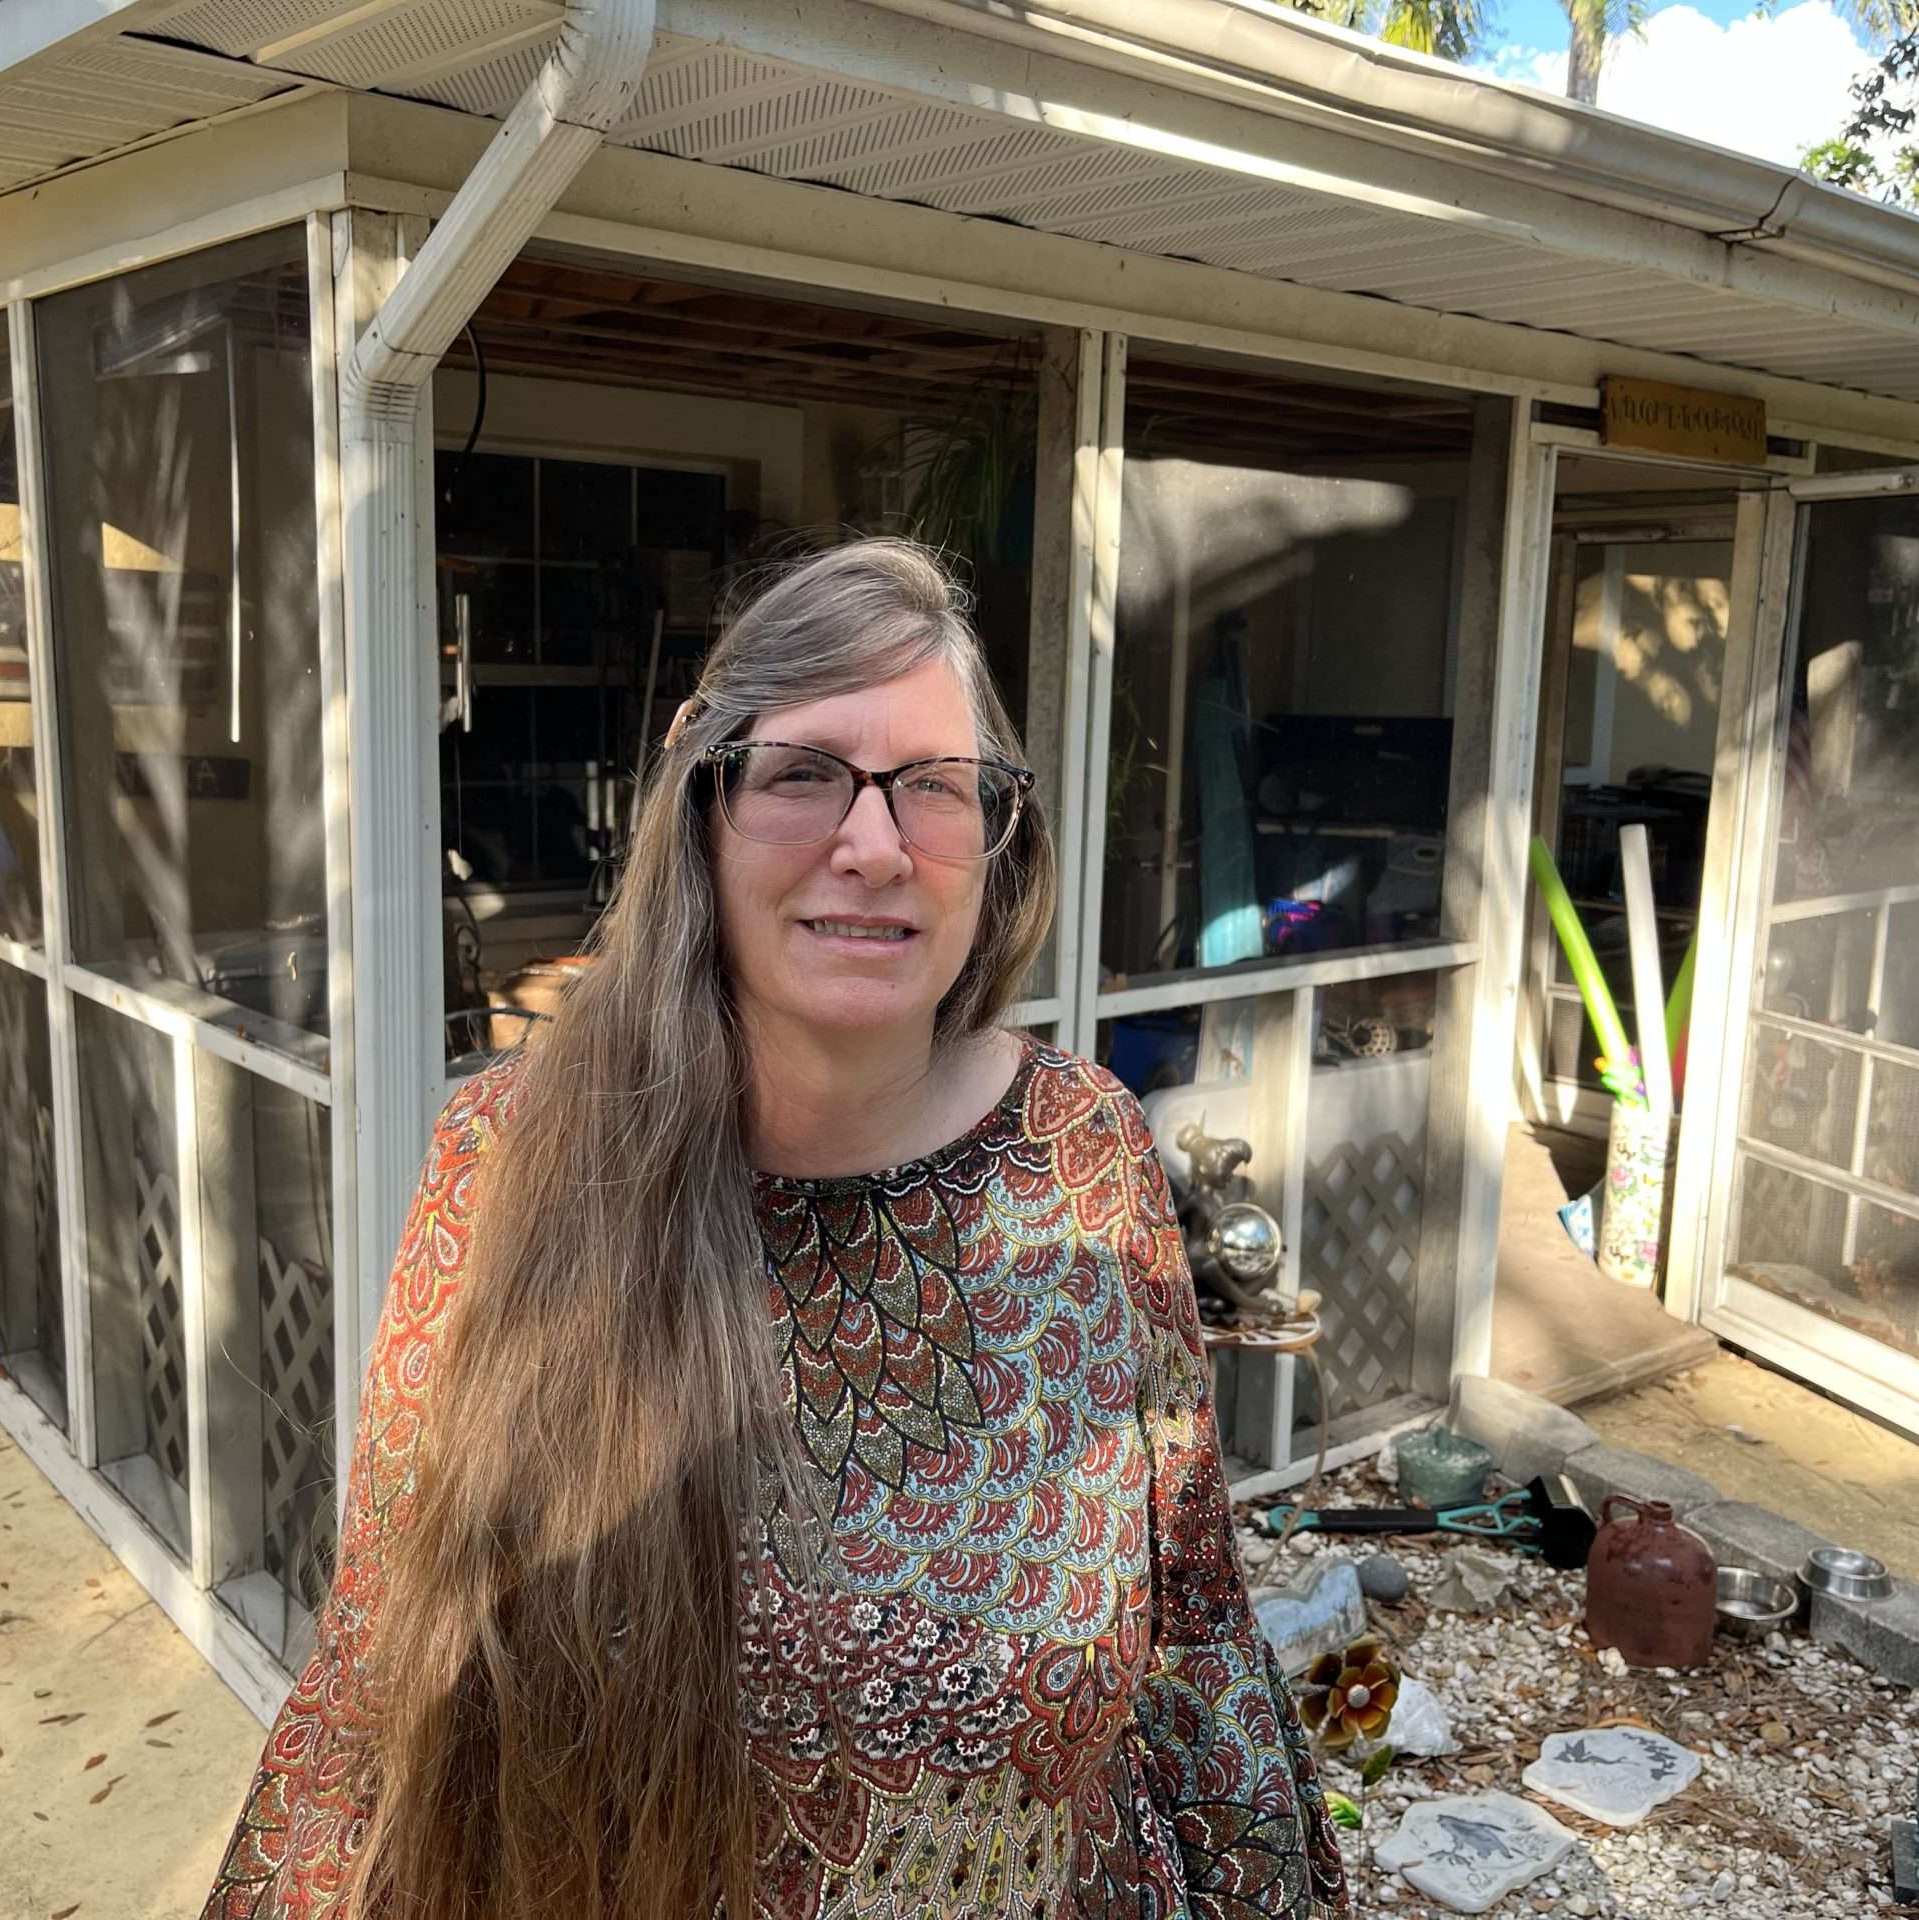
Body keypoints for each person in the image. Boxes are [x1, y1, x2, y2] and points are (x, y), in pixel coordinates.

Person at [202, 539, 1350, 1919]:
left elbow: (1199, 1621)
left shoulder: (1083, 1147)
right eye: (805, 775)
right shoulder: (510, 1164)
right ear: (704, 812)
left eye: (934, 786)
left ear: (996, 842)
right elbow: (384, 1670)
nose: (873, 846)